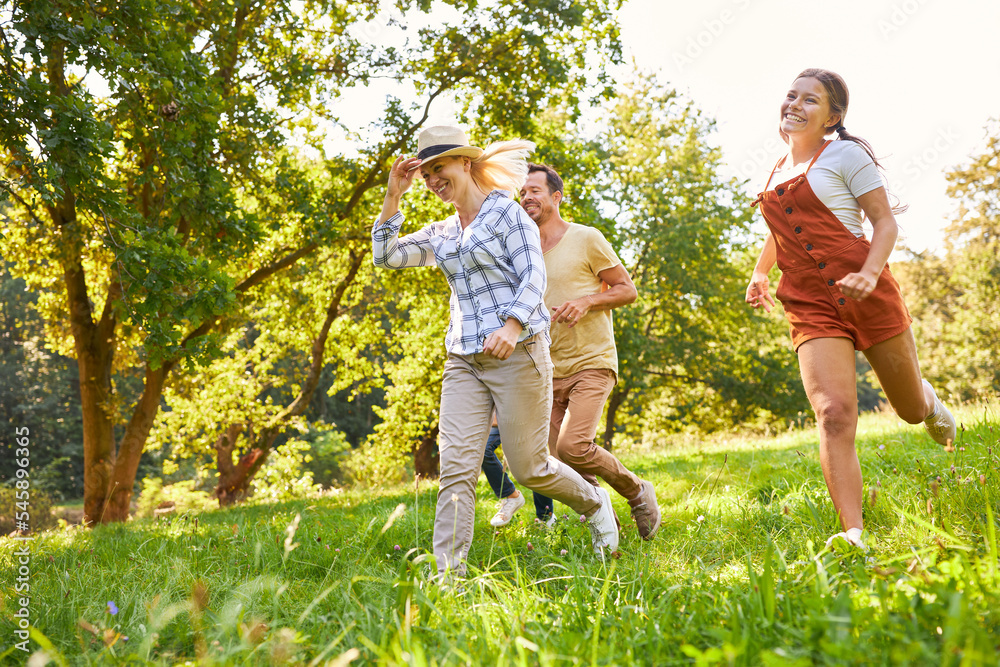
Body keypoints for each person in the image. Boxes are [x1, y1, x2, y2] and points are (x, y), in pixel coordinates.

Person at [371, 125, 620, 577]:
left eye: (438, 169)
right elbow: (386, 256)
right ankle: (450, 576)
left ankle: (594, 501)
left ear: (465, 163)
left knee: (530, 468)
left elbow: (534, 277)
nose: (431, 180)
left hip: (518, 352)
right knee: (457, 467)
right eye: (425, 173)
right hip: (463, 358)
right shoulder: (442, 232)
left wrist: (511, 324)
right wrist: (394, 196)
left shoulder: (507, 213)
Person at [746, 68, 957, 551]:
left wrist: (869, 271)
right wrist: (761, 273)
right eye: (790, 95)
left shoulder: (844, 153)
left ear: (832, 116)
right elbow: (781, 234)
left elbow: (883, 223)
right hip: (808, 301)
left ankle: (927, 402)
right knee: (834, 413)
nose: (794, 104)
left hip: (866, 288)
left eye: (810, 100)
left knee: (906, 410)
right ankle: (853, 534)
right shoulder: (777, 169)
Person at [481, 164, 662, 541]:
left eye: (534, 191)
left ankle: (636, 491)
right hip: (543, 369)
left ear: (555, 197)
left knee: (573, 445)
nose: (526, 197)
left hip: (591, 361)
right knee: (550, 459)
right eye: (523, 192)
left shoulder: (585, 238)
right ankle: (606, 526)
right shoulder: (519, 251)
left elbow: (626, 290)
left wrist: (587, 301)